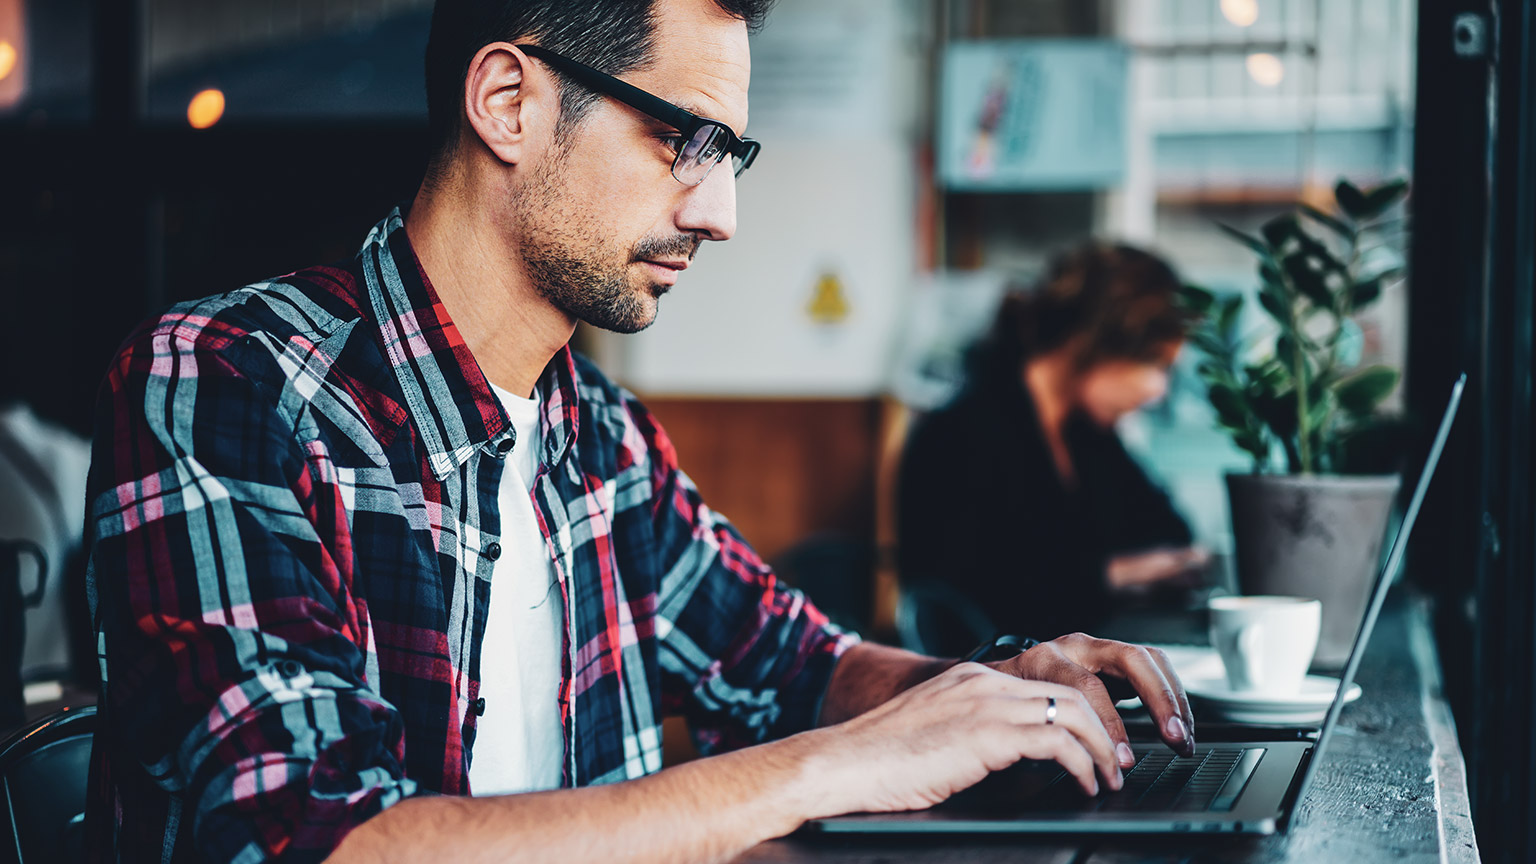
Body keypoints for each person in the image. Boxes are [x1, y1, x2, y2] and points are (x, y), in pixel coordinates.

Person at [82, 4, 1197, 862]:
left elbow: (798, 668)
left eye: (731, 157)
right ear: (509, 102)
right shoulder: (230, 383)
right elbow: (309, 840)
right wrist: (833, 769)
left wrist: (997, 693)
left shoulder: (602, 435)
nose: (719, 213)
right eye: (687, 140)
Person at [899, 244, 1208, 643]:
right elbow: (971, 600)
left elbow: (1170, 533)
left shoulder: (1090, 438)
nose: (1157, 391)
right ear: (1097, 343)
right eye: (1155, 365)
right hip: (991, 681)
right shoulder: (958, 436)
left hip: (1073, 665)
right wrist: (1113, 574)